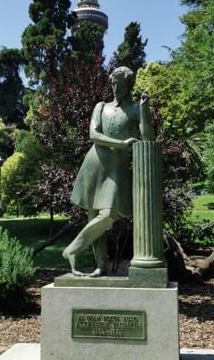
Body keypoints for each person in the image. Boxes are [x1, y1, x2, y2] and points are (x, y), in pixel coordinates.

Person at [62, 66, 154, 276]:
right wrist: (121, 143)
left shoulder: (133, 110)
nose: (114, 88)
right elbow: (93, 134)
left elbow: (148, 139)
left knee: (109, 214)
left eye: (119, 84)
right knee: (93, 215)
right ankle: (100, 266)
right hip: (94, 163)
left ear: (128, 86)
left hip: (116, 168)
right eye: (112, 83)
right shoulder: (101, 107)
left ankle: (72, 249)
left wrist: (144, 111)